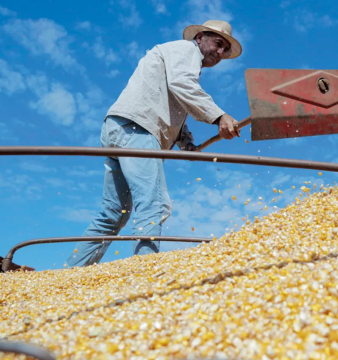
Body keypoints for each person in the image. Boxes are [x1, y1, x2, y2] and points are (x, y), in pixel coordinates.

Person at [64, 20, 242, 267]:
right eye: (218, 44)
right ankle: (143, 275)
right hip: (137, 130)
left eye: (225, 50)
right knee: (154, 205)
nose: (220, 53)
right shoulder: (186, 50)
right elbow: (182, 85)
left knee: (113, 215)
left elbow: (174, 107)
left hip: (120, 129)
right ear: (200, 36)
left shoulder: (177, 56)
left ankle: (70, 275)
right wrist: (219, 116)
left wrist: (187, 144)